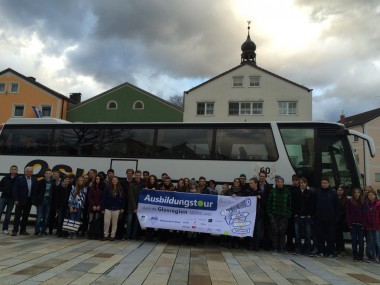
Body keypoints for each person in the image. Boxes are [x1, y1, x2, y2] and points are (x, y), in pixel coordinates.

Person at [313, 177, 339, 258]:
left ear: (329, 183)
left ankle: (331, 252)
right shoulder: (317, 192)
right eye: (322, 183)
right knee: (320, 236)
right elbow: (313, 204)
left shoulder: (333, 193)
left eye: (325, 183)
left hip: (330, 219)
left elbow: (337, 207)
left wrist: (335, 218)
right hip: (319, 218)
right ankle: (320, 251)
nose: (323, 184)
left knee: (330, 237)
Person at [267, 177, 292, 253]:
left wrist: (288, 214)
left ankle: (282, 248)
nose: (280, 183)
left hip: (284, 216)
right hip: (274, 215)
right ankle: (274, 247)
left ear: (283, 183)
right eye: (278, 182)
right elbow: (269, 203)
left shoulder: (287, 191)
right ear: (276, 183)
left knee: (282, 232)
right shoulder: (273, 191)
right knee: (275, 231)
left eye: (281, 182)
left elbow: (289, 204)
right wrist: (270, 214)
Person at [11, 166, 37, 236]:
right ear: (25, 172)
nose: (29, 173)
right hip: (19, 201)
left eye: (30, 172)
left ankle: (23, 230)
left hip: (29, 201)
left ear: (32, 173)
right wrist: (16, 199)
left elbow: (35, 191)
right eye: (28, 171)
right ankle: (14, 231)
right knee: (17, 216)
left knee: (25, 216)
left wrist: (34, 200)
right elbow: (15, 190)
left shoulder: (34, 179)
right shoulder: (19, 179)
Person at [292, 177, 313, 255]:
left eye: (303, 182)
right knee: (298, 234)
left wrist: (309, 214)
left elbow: (311, 205)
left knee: (307, 234)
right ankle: (298, 249)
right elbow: (293, 204)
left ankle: (307, 249)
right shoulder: (295, 192)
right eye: (301, 183)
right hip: (298, 216)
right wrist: (295, 213)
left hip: (307, 217)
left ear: (306, 183)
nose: (302, 184)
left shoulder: (309, 193)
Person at [101, 176, 124, 241]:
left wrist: (122, 207)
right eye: (113, 180)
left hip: (116, 208)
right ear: (111, 181)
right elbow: (104, 199)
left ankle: (112, 236)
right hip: (108, 207)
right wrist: (103, 208)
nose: (114, 181)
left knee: (114, 223)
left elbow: (122, 199)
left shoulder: (120, 189)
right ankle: (105, 235)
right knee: (106, 222)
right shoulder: (107, 188)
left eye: (115, 180)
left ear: (117, 181)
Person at [32, 168, 53, 237]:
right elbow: (35, 192)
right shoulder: (40, 181)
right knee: (39, 217)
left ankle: (43, 231)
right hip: (41, 201)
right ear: (44, 174)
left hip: (48, 201)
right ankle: (36, 232)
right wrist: (35, 202)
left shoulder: (52, 182)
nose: (48, 175)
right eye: (47, 173)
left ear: (51, 174)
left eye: (49, 173)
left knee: (46, 218)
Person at [346, 188, 365, 261]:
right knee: (354, 241)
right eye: (355, 192)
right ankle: (355, 256)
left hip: (361, 225)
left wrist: (363, 224)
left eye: (358, 192)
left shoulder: (363, 202)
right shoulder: (349, 201)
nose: (356, 194)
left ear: (360, 194)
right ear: (353, 194)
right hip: (353, 225)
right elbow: (348, 213)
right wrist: (349, 224)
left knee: (361, 241)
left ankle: (361, 256)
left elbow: (365, 214)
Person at [125, 170, 144, 240]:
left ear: (140, 175)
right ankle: (127, 236)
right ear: (134, 176)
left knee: (136, 223)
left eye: (139, 175)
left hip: (140, 207)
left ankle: (134, 236)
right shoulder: (132, 184)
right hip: (131, 207)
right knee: (129, 222)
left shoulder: (143, 184)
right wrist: (134, 207)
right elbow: (131, 196)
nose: (138, 176)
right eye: (136, 175)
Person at [0, 165, 18, 234]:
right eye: (12, 169)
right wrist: (4, 190)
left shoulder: (18, 179)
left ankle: (5, 229)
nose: (13, 170)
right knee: (0, 212)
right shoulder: (5, 178)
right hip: (3, 197)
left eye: (14, 169)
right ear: (10, 170)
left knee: (8, 214)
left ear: (17, 170)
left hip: (12, 199)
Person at [364, 187, 380, 262]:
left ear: (375, 195)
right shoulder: (367, 204)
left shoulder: (378, 204)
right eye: (369, 195)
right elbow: (366, 216)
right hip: (370, 226)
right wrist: (367, 225)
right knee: (372, 242)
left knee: (377, 242)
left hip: (377, 227)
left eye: (372, 195)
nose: (370, 196)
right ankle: (373, 257)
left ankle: (378, 256)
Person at [246, 177, 262, 250]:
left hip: (258, 215)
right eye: (250, 183)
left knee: (257, 231)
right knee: (250, 230)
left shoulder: (260, 192)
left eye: (252, 183)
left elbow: (264, 202)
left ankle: (256, 246)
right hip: (250, 215)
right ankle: (250, 245)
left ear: (256, 183)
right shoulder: (248, 192)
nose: (250, 184)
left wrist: (260, 198)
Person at [258, 170, 273, 250]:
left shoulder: (269, 186)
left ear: (266, 177)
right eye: (261, 176)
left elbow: (269, 198)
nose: (262, 177)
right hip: (258, 210)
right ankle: (257, 244)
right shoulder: (256, 185)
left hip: (266, 210)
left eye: (263, 176)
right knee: (258, 228)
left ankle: (266, 245)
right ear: (259, 176)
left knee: (267, 229)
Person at [87, 174, 104, 239]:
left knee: (97, 220)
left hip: (99, 207)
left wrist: (99, 205)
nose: (98, 180)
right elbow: (89, 197)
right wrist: (93, 205)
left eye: (99, 179)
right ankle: (89, 233)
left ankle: (96, 233)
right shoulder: (92, 187)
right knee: (91, 219)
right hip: (92, 206)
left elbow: (103, 198)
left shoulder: (102, 187)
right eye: (96, 179)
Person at [335, 185, 348, 256]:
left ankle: (342, 249)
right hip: (335, 220)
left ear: (343, 192)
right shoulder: (335, 198)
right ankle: (337, 249)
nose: (339, 191)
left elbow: (344, 211)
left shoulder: (345, 200)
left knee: (340, 235)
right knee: (336, 235)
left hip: (341, 221)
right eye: (338, 190)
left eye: (341, 190)